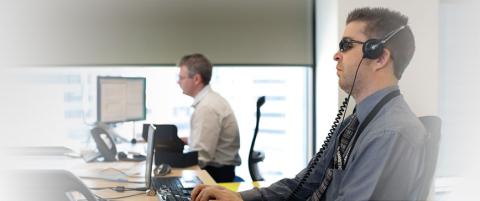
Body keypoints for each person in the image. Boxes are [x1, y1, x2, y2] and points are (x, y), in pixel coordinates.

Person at [191, 7, 429, 201]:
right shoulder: (355, 122)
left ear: (379, 56)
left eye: (346, 46)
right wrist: (241, 199)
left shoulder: (389, 134)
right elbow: (305, 183)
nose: (336, 55)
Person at [177, 53, 241, 182]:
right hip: (218, 170)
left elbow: (201, 157)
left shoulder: (207, 107)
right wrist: (190, 140)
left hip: (216, 175)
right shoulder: (210, 101)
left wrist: (169, 167)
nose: (178, 81)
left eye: (181, 78)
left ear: (196, 79)